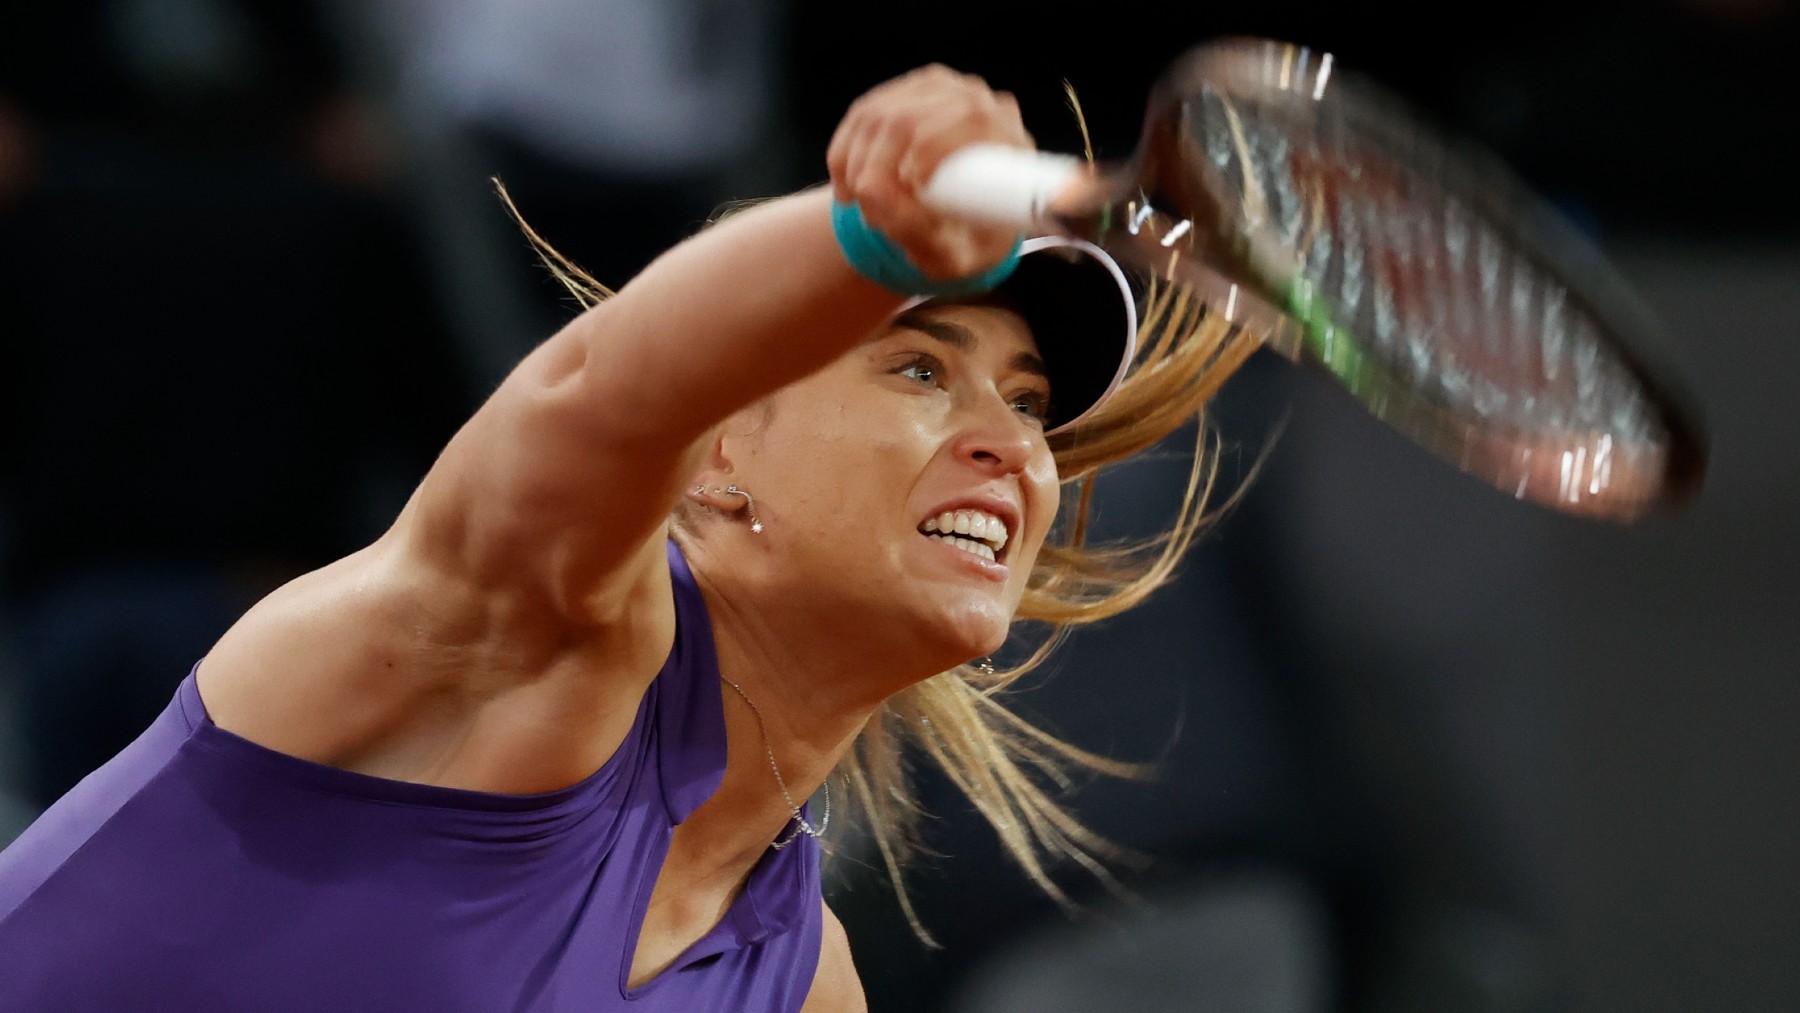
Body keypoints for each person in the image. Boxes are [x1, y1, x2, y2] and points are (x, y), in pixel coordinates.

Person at [0, 63, 1255, 1011]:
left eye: (1028, 401)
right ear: (715, 454)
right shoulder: (537, 642)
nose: (1009, 442)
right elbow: (607, 390)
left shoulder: (804, 979)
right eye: (922, 367)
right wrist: (872, 232)